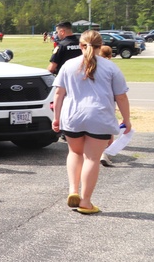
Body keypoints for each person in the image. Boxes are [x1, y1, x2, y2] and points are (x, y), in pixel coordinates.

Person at [52, 30, 130, 215]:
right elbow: (121, 97)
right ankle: (86, 201)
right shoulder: (111, 68)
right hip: (99, 116)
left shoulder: (68, 65)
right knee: (92, 158)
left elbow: (58, 94)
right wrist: (126, 120)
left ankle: (73, 190)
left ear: (81, 45)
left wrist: (56, 118)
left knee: (74, 153)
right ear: (100, 45)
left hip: (72, 116)